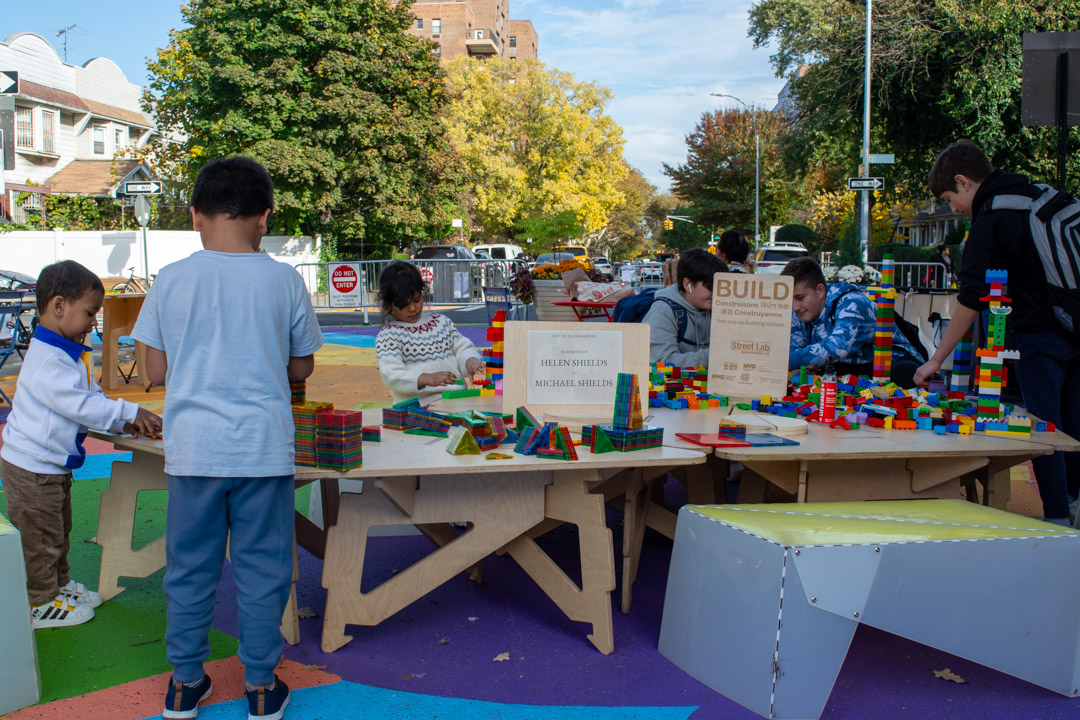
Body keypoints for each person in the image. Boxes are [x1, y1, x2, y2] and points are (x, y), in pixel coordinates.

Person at [132, 156, 324, 720]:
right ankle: (262, 687)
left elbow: (156, 371)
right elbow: (302, 369)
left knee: (190, 567)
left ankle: (185, 683)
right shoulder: (284, 279)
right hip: (264, 448)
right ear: (265, 217)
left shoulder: (171, 279)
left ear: (195, 215)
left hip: (194, 450)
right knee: (264, 568)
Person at [913, 140, 1079, 526]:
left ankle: (1056, 517)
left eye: (949, 197)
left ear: (964, 181)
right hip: (1075, 324)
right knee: (1073, 424)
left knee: (1043, 431)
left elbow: (970, 301)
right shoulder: (1033, 194)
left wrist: (936, 359)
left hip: (1039, 335)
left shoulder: (990, 221)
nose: (952, 207)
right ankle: (1072, 502)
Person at [0, 260, 161, 629]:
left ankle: (58, 585)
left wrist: (123, 420)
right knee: (41, 538)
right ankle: (39, 602)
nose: (93, 322)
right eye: (89, 314)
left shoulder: (65, 353)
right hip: (32, 468)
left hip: (47, 465)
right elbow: (81, 405)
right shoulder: (48, 361)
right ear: (59, 306)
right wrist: (130, 412)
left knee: (57, 528)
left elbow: (92, 395)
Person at [783, 257, 924, 388]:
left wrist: (786, 361)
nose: (795, 306)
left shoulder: (852, 303)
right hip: (851, 370)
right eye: (791, 299)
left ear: (820, 291)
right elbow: (794, 349)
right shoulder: (801, 311)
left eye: (800, 297)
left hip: (892, 367)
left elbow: (838, 345)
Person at [376, 261, 484, 406]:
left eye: (417, 300)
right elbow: (392, 375)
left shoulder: (441, 322)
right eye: (404, 305)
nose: (413, 308)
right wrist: (424, 378)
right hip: (417, 406)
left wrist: (469, 360)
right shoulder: (388, 336)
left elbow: (461, 347)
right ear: (389, 305)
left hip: (457, 398)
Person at [642, 248, 727, 367]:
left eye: (721, 288)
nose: (717, 293)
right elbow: (662, 362)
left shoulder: (716, 308)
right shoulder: (663, 311)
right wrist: (716, 356)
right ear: (688, 284)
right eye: (711, 287)